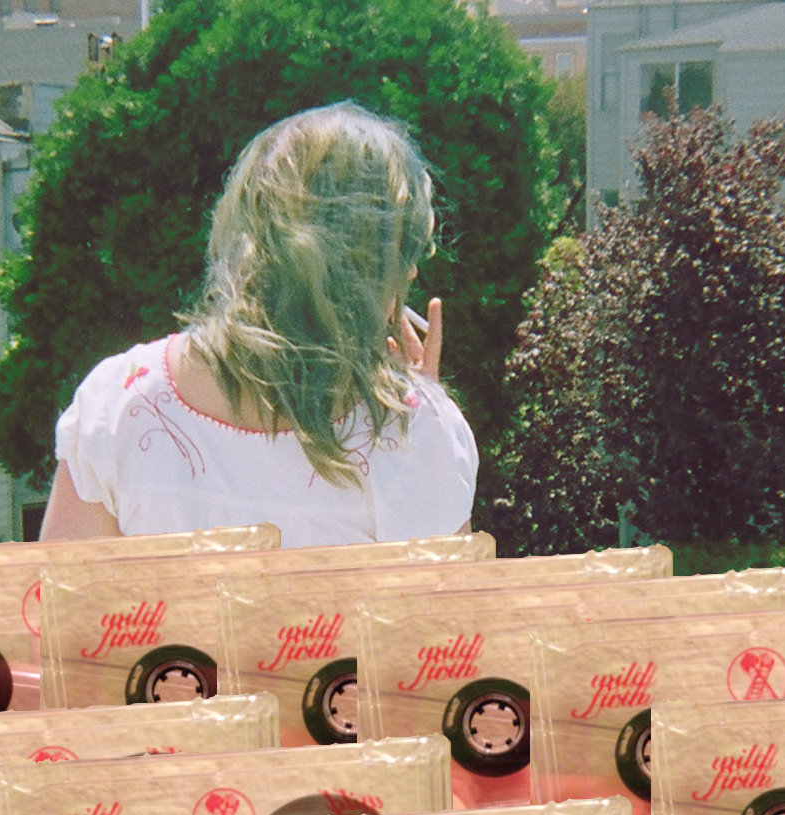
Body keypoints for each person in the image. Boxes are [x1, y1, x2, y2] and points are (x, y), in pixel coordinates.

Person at [40, 102, 477, 547]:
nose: (411, 273)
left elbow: (52, 590)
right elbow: (441, 591)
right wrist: (418, 429)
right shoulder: (417, 433)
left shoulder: (117, 402)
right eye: (404, 252)